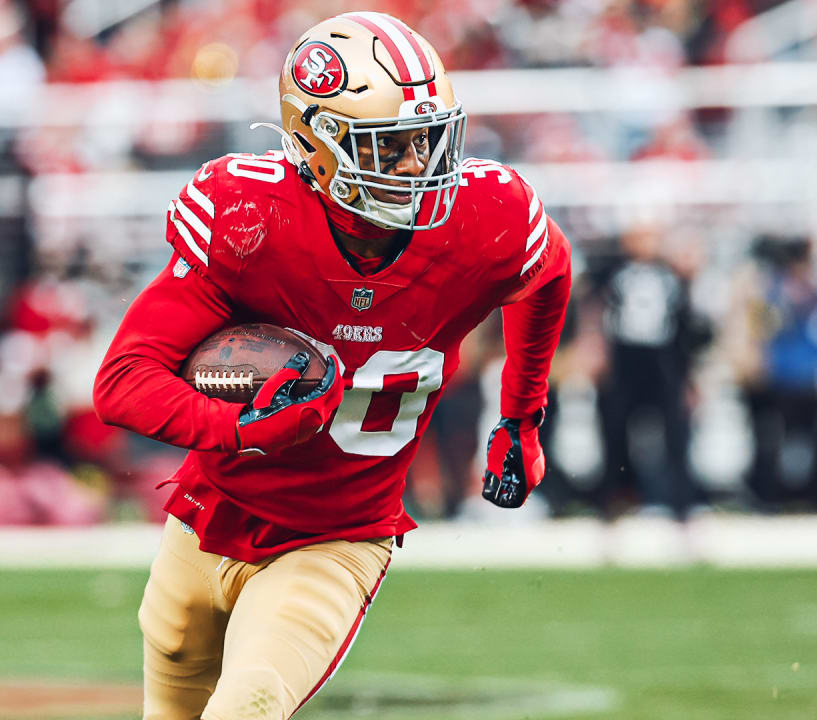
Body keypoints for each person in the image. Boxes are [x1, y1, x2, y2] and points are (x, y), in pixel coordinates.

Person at [92, 12, 571, 720]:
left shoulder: (484, 217)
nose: (422, 165)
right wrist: (242, 427)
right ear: (318, 146)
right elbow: (122, 381)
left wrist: (522, 416)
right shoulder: (250, 217)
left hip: (339, 534)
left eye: (430, 139)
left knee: (249, 703)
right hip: (207, 516)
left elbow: (548, 272)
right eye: (394, 146)